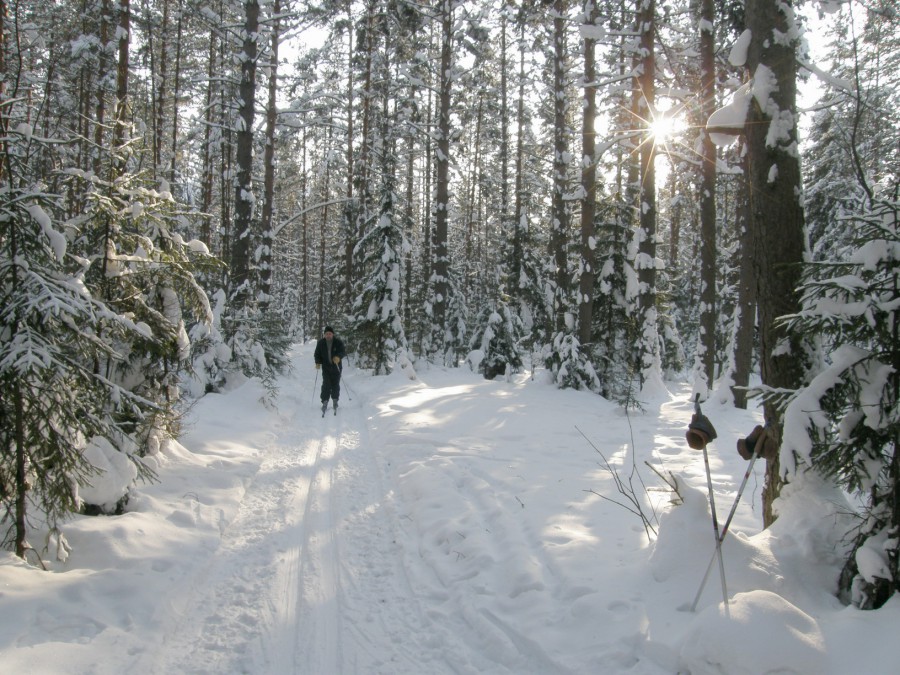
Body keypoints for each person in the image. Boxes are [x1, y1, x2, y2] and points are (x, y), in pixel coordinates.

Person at [314, 326, 346, 413]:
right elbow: (317, 354)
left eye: (330, 334)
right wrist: (317, 362)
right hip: (326, 367)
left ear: (333, 334)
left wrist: (338, 357)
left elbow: (343, 351)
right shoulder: (321, 343)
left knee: (335, 384)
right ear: (324, 335)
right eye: (326, 334)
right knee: (326, 384)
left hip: (336, 367)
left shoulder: (338, 342)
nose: (328, 335)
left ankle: (335, 400)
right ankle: (325, 401)